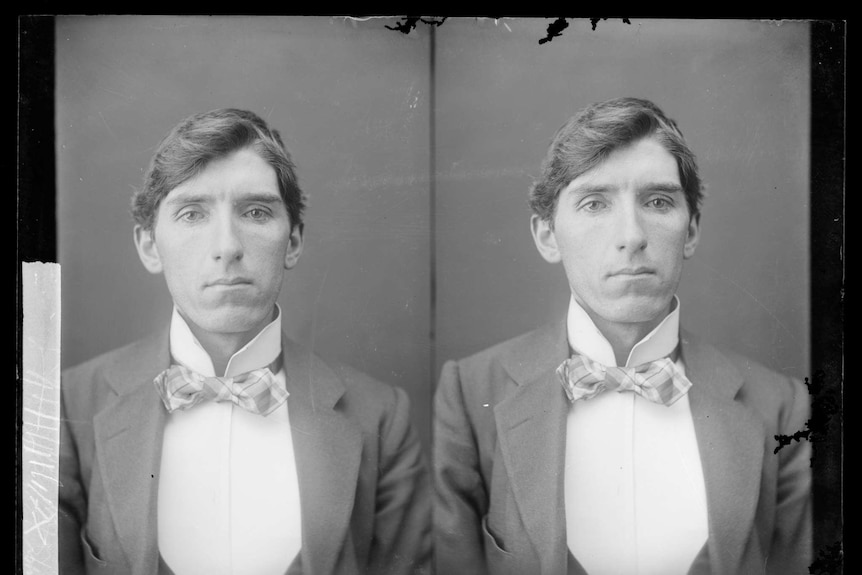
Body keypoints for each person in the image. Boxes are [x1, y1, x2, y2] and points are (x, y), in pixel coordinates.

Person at [433, 97, 811, 575]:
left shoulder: (782, 408)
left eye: (658, 202)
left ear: (691, 229)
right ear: (547, 235)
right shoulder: (469, 395)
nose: (631, 234)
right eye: (595, 203)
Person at [59, 108, 430, 575]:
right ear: (150, 245)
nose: (227, 245)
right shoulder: (66, 408)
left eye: (255, 212)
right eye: (192, 213)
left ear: (293, 240)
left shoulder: (380, 418)